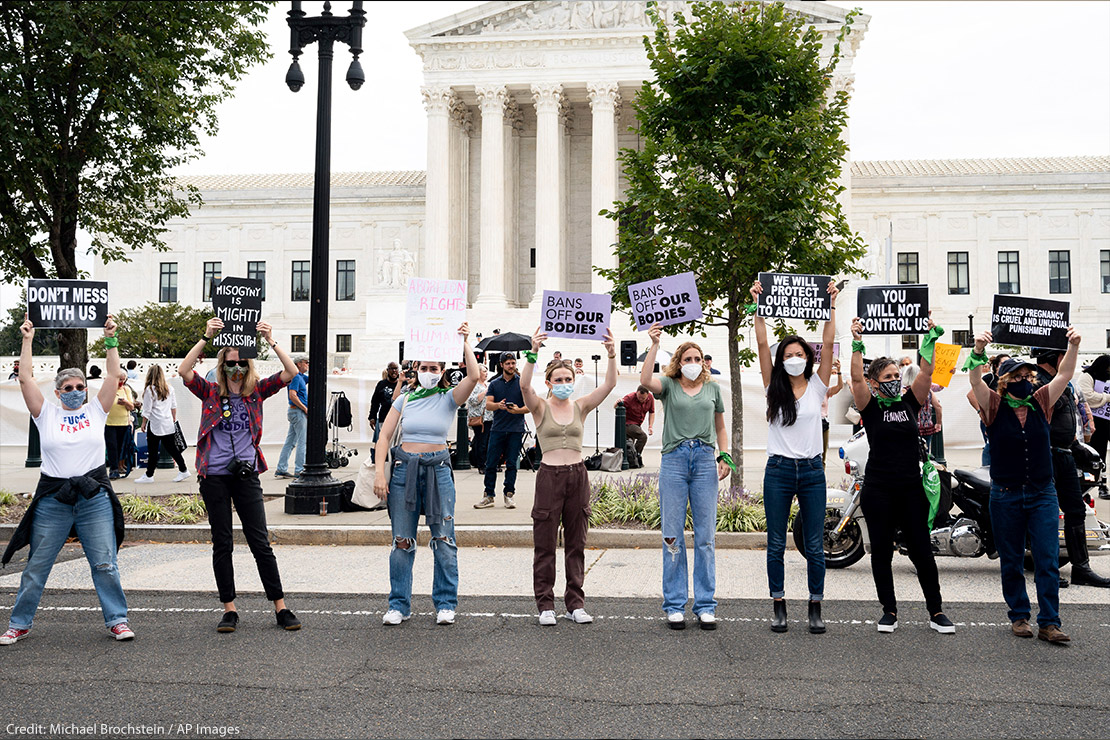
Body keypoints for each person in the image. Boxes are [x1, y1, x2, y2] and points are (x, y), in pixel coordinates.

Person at [2, 314, 135, 645]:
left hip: (93, 499)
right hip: (54, 500)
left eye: (80, 387)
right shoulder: (46, 413)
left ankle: (117, 619)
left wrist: (110, 339)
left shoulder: (96, 411)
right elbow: (25, 379)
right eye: (69, 388)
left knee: (105, 563)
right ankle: (19, 623)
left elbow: (113, 375)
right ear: (58, 392)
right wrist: (28, 339)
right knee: (37, 566)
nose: (75, 392)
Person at [179, 317, 303, 634]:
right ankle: (229, 609)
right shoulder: (209, 393)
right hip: (214, 476)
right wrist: (206, 337)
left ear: (250, 366)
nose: (237, 370)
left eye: (243, 364)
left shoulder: (256, 393)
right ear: (222, 366)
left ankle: (281, 607)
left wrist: (271, 341)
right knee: (223, 543)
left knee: (260, 542)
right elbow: (184, 371)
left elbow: (291, 373)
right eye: (231, 364)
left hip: (246, 475)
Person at [968, 329, 1082, 643]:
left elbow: (1065, 373)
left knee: (1046, 558)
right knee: (1012, 559)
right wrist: (978, 349)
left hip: (1042, 492)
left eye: (1027, 374)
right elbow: (975, 381)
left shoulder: (1041, 400)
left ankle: (1050, 622)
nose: (1024, 379)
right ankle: (1019, 616)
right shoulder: (992, 405)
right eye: (1017, 375)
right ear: (1004, 381)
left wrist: (1072, 346)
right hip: (1005, 494)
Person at [848, 315, 955, 634]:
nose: (895, 379)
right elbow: (855, 379)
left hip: (911, 491)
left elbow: (926, 371)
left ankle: (936, 612)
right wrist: (856, 342)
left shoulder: (910, 402)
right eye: (889, 376)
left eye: (897, 374)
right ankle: (889, 611)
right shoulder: (870, 406)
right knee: (881, 552)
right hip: (879, 490)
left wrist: (930, 339)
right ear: (876, 382)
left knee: (922, 552)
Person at [373, 323, 479, 627]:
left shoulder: (448, 398)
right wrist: (380, 473)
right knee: (401, 541)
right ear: (415, 369)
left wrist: (464, 342)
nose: (429, 370)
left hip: (438, 470)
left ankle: (446, 603)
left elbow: (473, 376)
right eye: (424, 366)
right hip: (404, 470)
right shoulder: (404, 399)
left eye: (435, 367)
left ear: (442, 370)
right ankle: (399, 605)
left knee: (444, 538)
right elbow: (384, 436)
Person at [750, 277, 838, 634]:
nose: (794, 359)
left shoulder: (818, 385)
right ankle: (779, 604)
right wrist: (758, 305)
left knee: (815, 545)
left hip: (813, 472)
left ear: (808, 357)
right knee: (775, 543)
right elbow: (759, 342)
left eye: (800, 354)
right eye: (788, 355)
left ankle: (815, 605)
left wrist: (831, 305)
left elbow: (829, 342)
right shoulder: (774, 386)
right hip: (780, 472)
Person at [520, 327, 617, 625]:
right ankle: (545, 604)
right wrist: (533, 352)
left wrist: (612, 353)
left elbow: (609, 386)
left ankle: (575, 603)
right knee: (545, 543)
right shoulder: (539, 407)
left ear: (574, 381)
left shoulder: (581, 406)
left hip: (578, 475)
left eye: (568, 379)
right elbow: (524, 387)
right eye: (558, 380)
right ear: (549, 383)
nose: (563, 383)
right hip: (550, 476)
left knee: (577, 542)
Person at [640, 323, 730, 631]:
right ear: (679, 362)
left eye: (698, 358)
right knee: (672, 535)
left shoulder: (713, 388)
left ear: (705, 362)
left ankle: (705, 604)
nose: (693, 363)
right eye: (687, 358)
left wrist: (725, 455)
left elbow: (720, 426)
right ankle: (675, 604)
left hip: (705, 459)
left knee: (705, 538)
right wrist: (654, 343)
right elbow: (644, 380)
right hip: (675, 461)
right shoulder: (668, 385)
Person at [1033, 348, 1110, 588]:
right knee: (1045, 515)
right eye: (1063, 356)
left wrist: (1077, 446)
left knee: (1076, 511)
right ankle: (1046, 570)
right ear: (1052, 359)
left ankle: (1081, 568)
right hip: (1045, 456)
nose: (1068, 362)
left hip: (1065, 454)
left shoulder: (1060, 383)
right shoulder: (1037, 382)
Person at [477, 353, 527, 510]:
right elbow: (488, 404)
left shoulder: (522, 383)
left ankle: (509, 494)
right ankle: (489, 495)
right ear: (501, 365)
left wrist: (518, 411)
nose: (511, 366)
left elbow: (530, 406)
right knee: (491, 463)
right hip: (497, 428)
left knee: (512, 463)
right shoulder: (494, 384)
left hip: (516, 429)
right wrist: (499, 405)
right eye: (508, 363)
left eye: (513, 363)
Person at [135, 364, 189, 483]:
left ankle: (149, 475)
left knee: (153, 450)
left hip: (155, 423)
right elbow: (173, 406)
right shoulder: (170, 388)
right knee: (172, 449)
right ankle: (183, 469)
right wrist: (173, 418)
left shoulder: (150, 390)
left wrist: (143, 423)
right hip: (167, 422)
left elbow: (147, 410)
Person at [967, 353, 1010, 466]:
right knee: (992, 444)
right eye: (1003, 363)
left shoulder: (1011, 380)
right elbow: (971, 395)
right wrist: (980, 412)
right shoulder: (990, 378)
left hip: (1006, 419)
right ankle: (987, 470)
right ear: (996, 366)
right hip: (991, 419)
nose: (1006, 366)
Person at [1078, 355, 1110, 500]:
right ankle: (1098, 485)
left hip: (1107, 418)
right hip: (1096, 421)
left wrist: (1102, 398)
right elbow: (1088, 397)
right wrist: (1106, 397)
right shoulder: (1087, 376)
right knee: (1097, 454)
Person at [275, 355, 310, 479]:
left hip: (294, 412)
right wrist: (305, 408)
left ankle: (281, 467)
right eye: (306, 362)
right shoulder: (296, 377)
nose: (308, 364)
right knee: (302, 441)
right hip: (298, 412)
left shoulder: (300, 377)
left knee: (290, 441)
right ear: (299, 364)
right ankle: (299, 470)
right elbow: (293, 395)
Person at [103, 369, 136, 479]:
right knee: (112, 446)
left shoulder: (126, 390)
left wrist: (125, 402)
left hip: (123, 423)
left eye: (123, 379)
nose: (121, 382)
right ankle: (113, 469)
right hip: (110, 423)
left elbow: (131, 407)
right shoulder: (108, 389)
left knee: (121, 446)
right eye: (119, 379)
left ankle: (121, 466)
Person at [369, 362, 401, 464]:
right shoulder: (381, 385)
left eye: (396, 369)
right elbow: (375, 402)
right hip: (384, 419)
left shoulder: (403, 384)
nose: (394, 371)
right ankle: (384, 463)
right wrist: (372, 417)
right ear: (387, 370)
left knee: (398, 444)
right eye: (392, 369)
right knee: (385, 443)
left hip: (399, 419)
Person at [466, 365, 494, 472]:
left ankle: (487, 462)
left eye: (487, 371)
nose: (486, 373)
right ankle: (481, 464)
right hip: (479, 418)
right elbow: (472, 400)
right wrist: (485, 392)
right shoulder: (474, 386)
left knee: (487, 441)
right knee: (481, 441)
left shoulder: (487, 384)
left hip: (489, 417)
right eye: (484, 371)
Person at [618, 385, 656, 456]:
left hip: (638, 424)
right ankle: (635, 456)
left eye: (643, 398)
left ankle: (631, 459)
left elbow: (652, 412)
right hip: (627, 423)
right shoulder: (629, 398)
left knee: (629, 444)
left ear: (647, 395)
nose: (641, 399)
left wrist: (650, 426)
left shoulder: (650, 398)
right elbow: (616, 406)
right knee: (642, 437)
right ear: (636, 393)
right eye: (639, 397)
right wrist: (617, 402)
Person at [822, 359, 844, 462]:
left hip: (823, 423)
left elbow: (839, 386)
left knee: (823, 453)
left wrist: (839, 371)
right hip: (811, 424)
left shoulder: (825, 391)